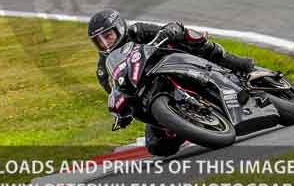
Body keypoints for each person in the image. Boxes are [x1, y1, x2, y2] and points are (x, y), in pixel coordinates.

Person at [88, 9, 255, 156]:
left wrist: (169, 31)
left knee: (191, 37)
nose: (105, 44)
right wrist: (122, 111)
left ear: (120, 28)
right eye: (99, 41)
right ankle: (181, 124)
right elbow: (114, 91)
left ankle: (235, 63)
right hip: (149, 93)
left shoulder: (137, 31)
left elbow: (168, 28)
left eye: (108, 36)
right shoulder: (104, 69)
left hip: (175, 62)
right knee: (156, 147)